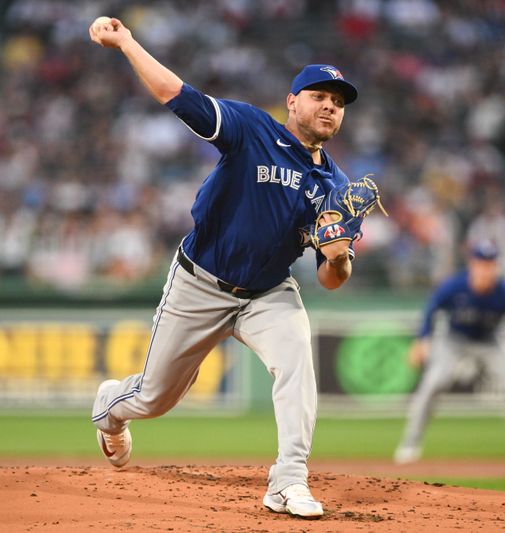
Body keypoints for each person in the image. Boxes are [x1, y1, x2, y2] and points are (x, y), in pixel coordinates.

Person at [88, 16, 364, 519]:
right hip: (201, 282)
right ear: (292, 101)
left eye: (339, 101)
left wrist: (338, 254)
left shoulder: (338, 188)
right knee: (155, 399)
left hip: (267, 291)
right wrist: (127, 41)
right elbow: (176, 94)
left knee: (298, 360)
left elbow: (331, 280)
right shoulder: (251, 128)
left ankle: (288, 481)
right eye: (320, 95)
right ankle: (110, 407)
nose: (330, 105)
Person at [394, 240, 505, 465]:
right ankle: (410, 444)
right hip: (454, 339)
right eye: (481, 263)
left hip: (490, 340)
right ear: (472, 265)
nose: (486, 268)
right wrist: (422, 340)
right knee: (433, 384)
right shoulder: (455, 286)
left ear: (497, 266)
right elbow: (431, 308)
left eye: (490, 263)